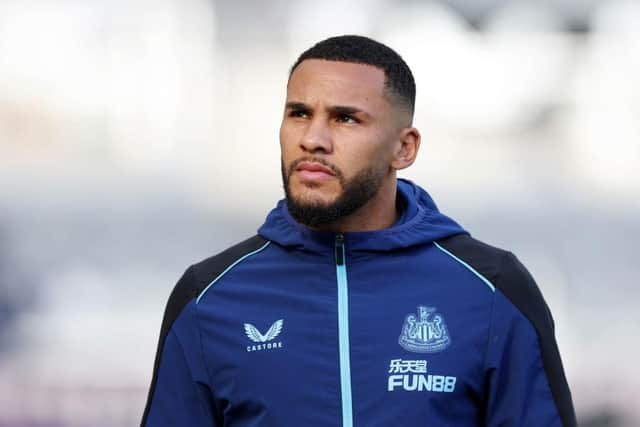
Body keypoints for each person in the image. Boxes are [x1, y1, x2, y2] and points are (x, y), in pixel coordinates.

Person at [141, 35, 576, 427]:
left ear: (404, 148)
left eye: (345, 119)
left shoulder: (492, 288)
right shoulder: (210, 296)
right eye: (299, 113)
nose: (313, 138)